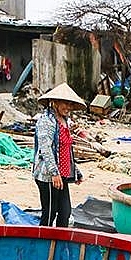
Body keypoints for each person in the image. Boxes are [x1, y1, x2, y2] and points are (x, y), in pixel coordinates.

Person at [33, 83, 85, 227]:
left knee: (65, 212)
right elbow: (45, 149)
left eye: (70, 104)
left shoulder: (65, 121)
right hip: (47, 175)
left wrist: (76, 171)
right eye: (65, 103)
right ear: (54, 102)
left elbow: (66, 149)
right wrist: (54, 173)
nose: (68, 107)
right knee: (49, 213)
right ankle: (43, 244)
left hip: (62, 175)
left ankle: (59, 245)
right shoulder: (46, 121)